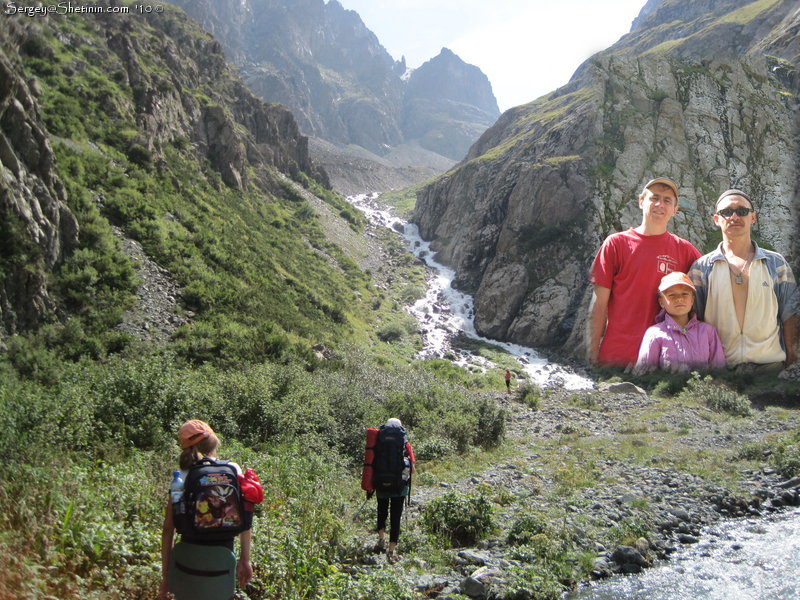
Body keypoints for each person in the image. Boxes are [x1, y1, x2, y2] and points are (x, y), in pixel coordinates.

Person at [588, 177, 701, 367]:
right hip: (618, 357)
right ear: (641, 201)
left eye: (667, 200)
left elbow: (707, 295)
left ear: (675, 210)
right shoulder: (616, 244)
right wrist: (592, 357)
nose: (659, 204)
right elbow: (598, 305)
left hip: (665, 361)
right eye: (654, 198)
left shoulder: (685, 250)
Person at [689, 189, 799, 371]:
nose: (734, 216)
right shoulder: (701, 268)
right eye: (726, 212)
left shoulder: (776, 263)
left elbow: (790, 314)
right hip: (719, 370)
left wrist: (792, 362)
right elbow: (694, 319)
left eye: (742, 211)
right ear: (716, 219)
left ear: (753, 217)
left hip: (770, 368)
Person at [158, 420, 254, 600]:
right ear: (213, 441)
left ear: (185, 447)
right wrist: (245, 559)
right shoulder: (232, 469)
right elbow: (244, 518)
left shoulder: (182, 476)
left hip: (187, 561)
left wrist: (166, 578)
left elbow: (168, 530)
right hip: (223, 561)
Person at [634, 271, 726, 373]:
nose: (679, 299)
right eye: (672, 295)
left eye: (685, 294)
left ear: (692, 300)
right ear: (661, 302)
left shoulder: (708, 332)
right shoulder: (654, 333)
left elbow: (719, 371)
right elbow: (645, 374)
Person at [372, 418, 416, 563]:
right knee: (395, 516)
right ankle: (391, 550)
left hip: (381, 483)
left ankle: (380, 540)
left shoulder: (378, 442)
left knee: (381, 511)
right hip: (399, 486)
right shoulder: (404, 443)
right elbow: (412, 470)